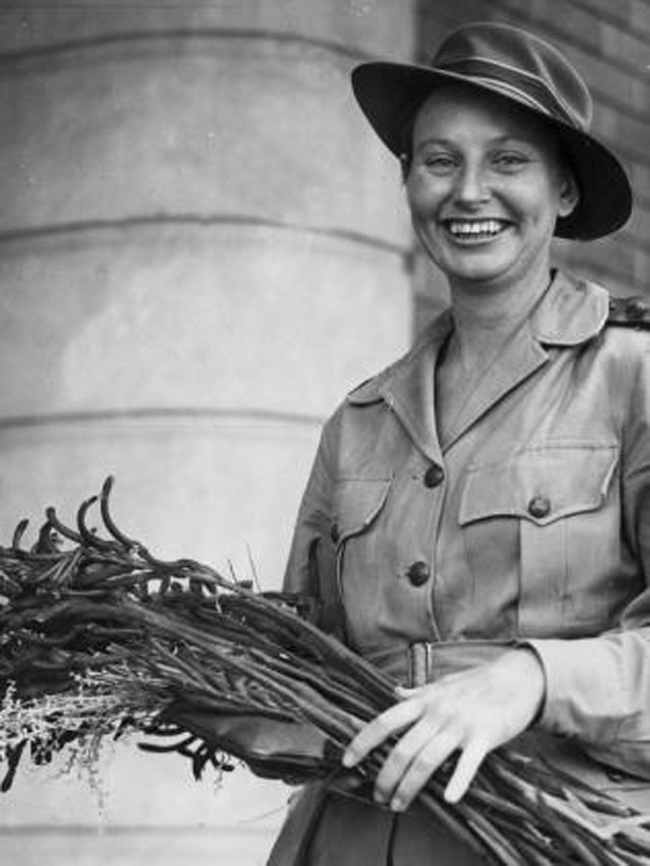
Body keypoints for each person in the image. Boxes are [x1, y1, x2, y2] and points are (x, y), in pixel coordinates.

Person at [267, 21, 650, 865]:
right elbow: (305, 649)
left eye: (508, 161)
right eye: (439, 161)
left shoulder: (633, 377)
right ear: (409, 182)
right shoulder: (360, 420)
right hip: (354, 838)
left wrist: (533, 679)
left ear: (565, 192)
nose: (468, 191)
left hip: (560, 833)